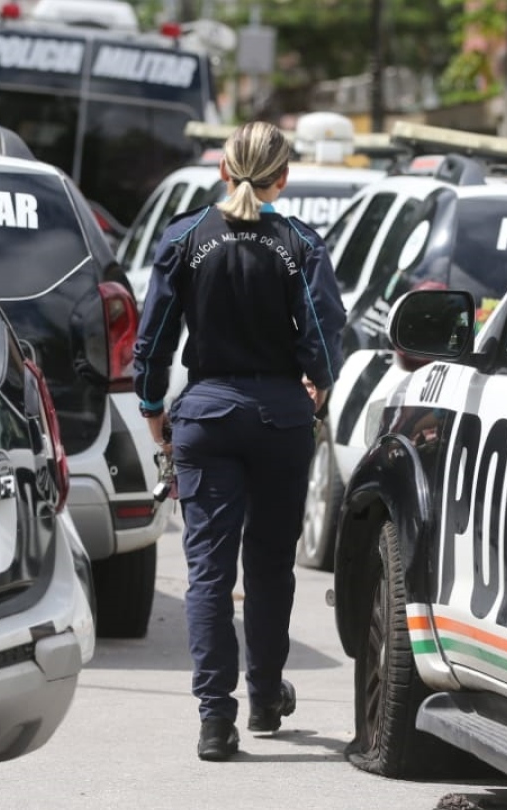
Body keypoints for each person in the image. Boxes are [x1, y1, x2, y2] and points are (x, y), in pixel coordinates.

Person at [130, 120, 346, 762]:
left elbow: (154, 339)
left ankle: (214, 720)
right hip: (280, 416)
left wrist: (152, 412)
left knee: (208, 571)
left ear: (222, 171)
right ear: (283, 178)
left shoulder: (185, 237)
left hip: (206, 415)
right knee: (271, 567)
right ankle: (264, 698)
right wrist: (320, 388)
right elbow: (323, 333)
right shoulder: (300, 242)